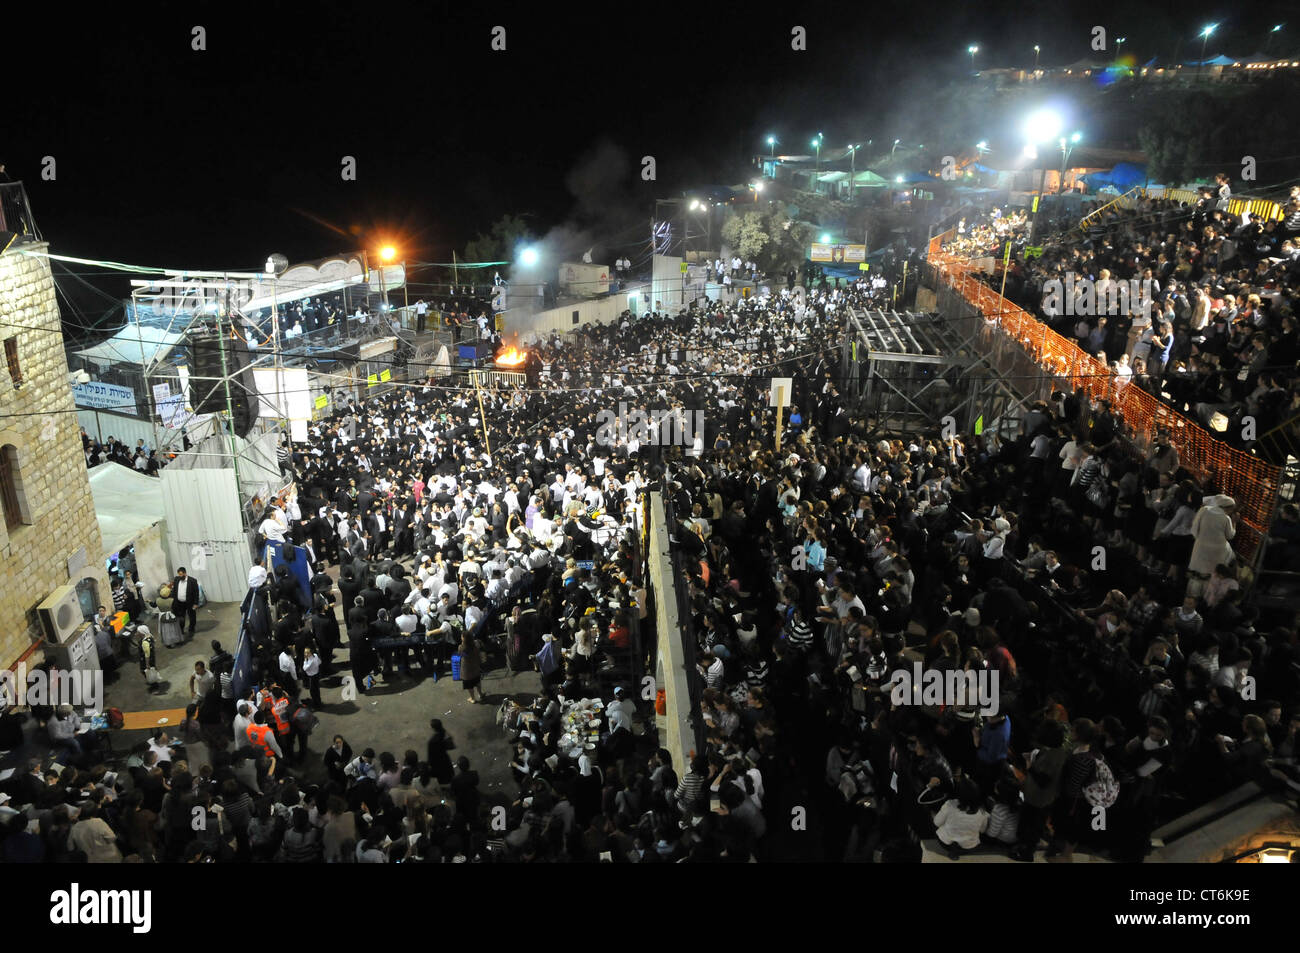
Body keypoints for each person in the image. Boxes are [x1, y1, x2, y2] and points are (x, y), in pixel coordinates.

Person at [170, 567, 200, 640]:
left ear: (185, 573)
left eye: (181, 574)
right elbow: (174, 590)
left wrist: (196, 603)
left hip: (190, 603)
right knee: (181, 617)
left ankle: (191, 629)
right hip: (180, 603)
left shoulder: (192, 581)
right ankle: (181, 629)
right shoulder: (177, 579)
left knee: (192, 616)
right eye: (179, 574)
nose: (180, 576)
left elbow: (196, 593)